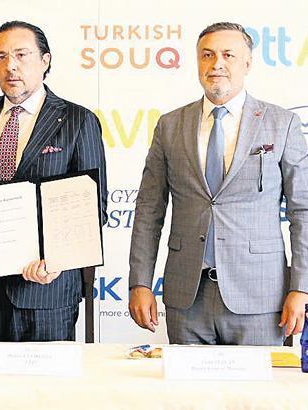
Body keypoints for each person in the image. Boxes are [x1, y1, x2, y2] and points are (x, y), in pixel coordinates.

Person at [128, 22, 308, 345]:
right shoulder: (170, 125)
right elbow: (148, 210)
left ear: (247, 63)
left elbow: (303, 211)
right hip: (187, 298)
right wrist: (140, 282)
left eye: (228, 55)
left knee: (257, 382)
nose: (217, 64)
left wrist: (301, 287)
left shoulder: (282, 124)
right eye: (207, 55)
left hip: (260, 298)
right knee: (186, 382)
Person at [0, 21, 107, 342]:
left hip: (47, 292)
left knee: (46, 377)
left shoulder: (77, 120)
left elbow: (91, 207)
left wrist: (57, 259)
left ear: (45, 61)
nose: (10, 66)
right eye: (0, 57)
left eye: (21, 54)